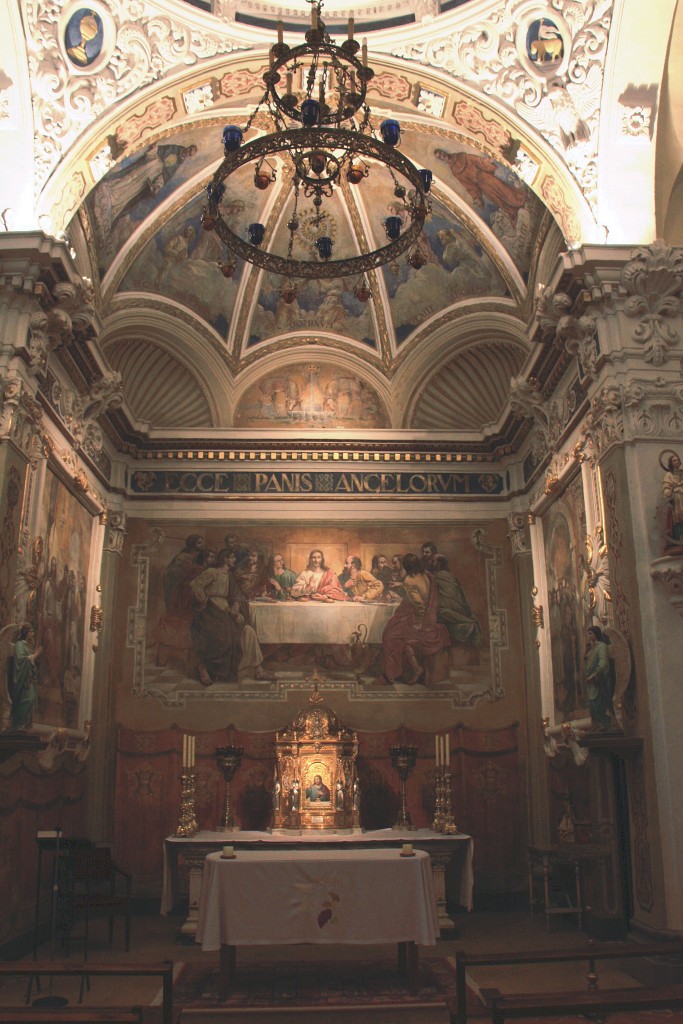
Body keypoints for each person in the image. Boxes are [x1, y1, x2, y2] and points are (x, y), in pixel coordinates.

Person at [190, 549, 275, 685]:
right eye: (232, 558)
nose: (235, 560)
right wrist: (205, 600)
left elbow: (237, 594)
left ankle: (258, 670)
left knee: (249, 631)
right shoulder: (213, 572)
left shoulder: (229, 575)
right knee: (225, 635)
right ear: (225, 559)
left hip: (226, 611)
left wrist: (236, 604)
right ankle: (205, 669)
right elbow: (195, 585)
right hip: (210, 612)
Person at [381, 553, 450, 684]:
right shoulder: (426, 575)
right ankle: (416, 668)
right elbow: (422, 592)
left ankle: (391, 673)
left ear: (406, 567)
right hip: (431, 617)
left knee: (389, 635)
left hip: (421, 621)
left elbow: (419, 605)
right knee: (396, 631)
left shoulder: (409, 580)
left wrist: (418, 623)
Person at [434, 148, 527, 226]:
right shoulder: (455, 171)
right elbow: (468, 185)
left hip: (485, 177)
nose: (442, 156)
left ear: (443, 152)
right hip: (481, 185)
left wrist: (486, 162)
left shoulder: (461, 156)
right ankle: (512, 211)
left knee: (503, 190)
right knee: (496, 199)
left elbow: (477, 160)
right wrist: (476, 197)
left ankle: (519, 201)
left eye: (441, 153)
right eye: (440, 157)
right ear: (442, 160)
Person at [432, 554, 483, 649]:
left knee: (439, 614)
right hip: (459, 608)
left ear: (439, 564)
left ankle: (467, 622)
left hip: (452, 609)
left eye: (434, 561)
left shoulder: (439, 577)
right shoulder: (450, 576)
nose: (432, 563)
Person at [9, 625, 42, 731]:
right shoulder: (19, 645)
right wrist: (35, 655)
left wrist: (35, 657)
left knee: (32, 699)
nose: (33, 634)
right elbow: (20, 660)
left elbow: (31, 661)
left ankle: (24, 724)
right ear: (26, 633)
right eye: (31, 632)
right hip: (23, 680)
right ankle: (17, 724)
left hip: (30, 678)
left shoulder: (29, 645)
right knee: (28, 699)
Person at [584, 625, 615, 731]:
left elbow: (603, 663)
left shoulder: (602, 646)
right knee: (592, 703)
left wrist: (595, 674)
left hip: (599, 680)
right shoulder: (591, 648)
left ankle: (605, 724)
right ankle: (597, 724)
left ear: (596, 634)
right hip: (591, 682)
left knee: (598, 702)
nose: (588, 636)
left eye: (590, 633)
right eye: (588, 633)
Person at [661, 451, 683, 550]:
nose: (677, 461)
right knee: (678, 518)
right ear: (671, 463)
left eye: (678, 460)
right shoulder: (669, 474)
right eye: (674, 460)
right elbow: (666, 485)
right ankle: (678, 539)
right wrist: (667, 492)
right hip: (676, 498)